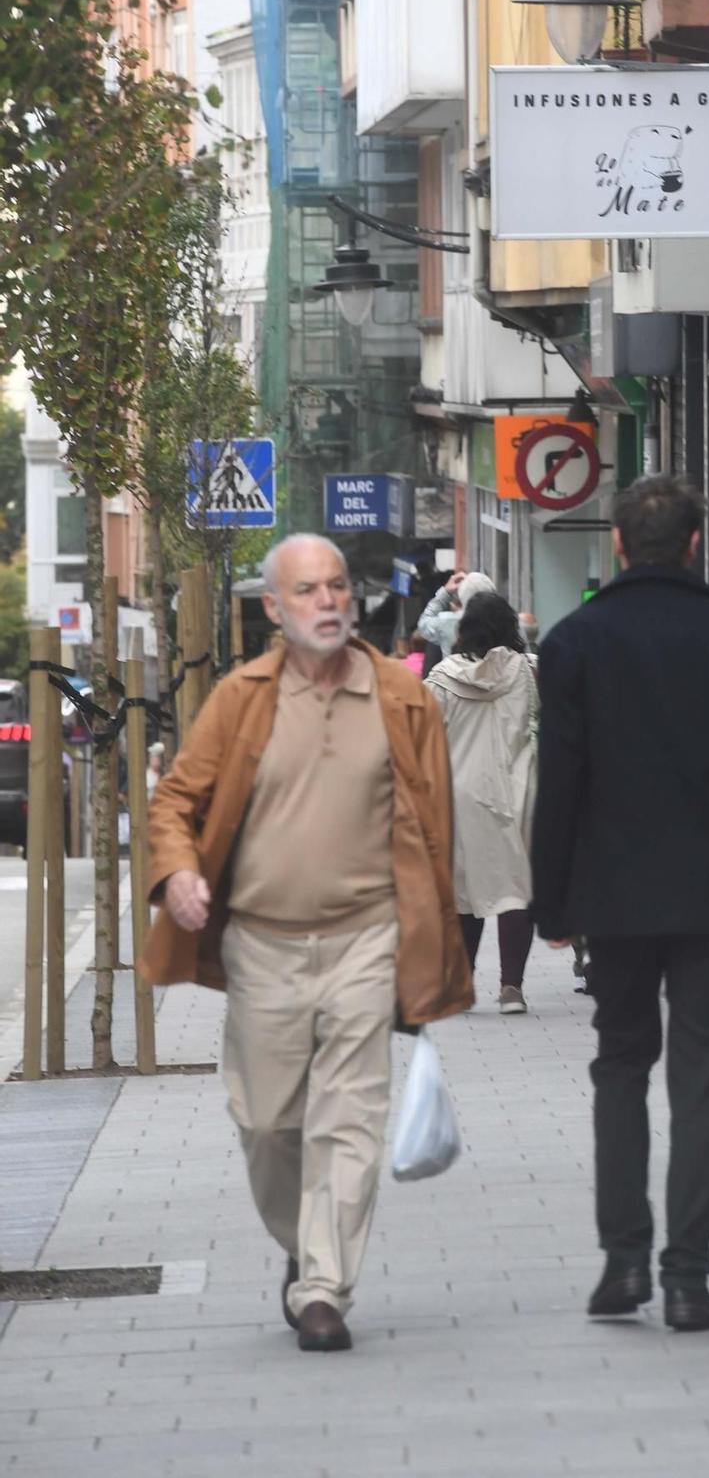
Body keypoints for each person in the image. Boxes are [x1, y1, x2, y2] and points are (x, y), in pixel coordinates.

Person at [140, 534, 473, 1354]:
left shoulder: (402, 698)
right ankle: (302, 1240)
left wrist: (428, 941)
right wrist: (179, 875)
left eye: (335, 588)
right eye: (307, 591)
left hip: (366, 938)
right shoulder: (241, 698)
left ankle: (324, 1284)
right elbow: (176, 801)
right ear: (274, 608)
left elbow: (435, 829)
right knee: (266, 1124)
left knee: (350, 1117)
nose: (326, 602)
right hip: (262, 946)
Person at [532, 475, 709, 1333]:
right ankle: (688, 1277)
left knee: (619, 1069)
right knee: (702, 1083)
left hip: (611, 899)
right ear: (694, 544)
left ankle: (622, 1266)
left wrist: (552, 901)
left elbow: (560, 782)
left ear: (617, 544)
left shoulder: (575, 644)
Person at [426, 591, 539, 1015]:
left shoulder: (441, 678)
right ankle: (512, 987)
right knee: (515, 890)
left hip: (461, 794)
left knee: (464, 893)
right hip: (518, 790)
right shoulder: (528, 672)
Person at [418, 570, 496, 659]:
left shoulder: (447, 622)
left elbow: (423, 624)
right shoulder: (504, 620)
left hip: (456, 672)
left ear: (461, 596)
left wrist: (445, 592)